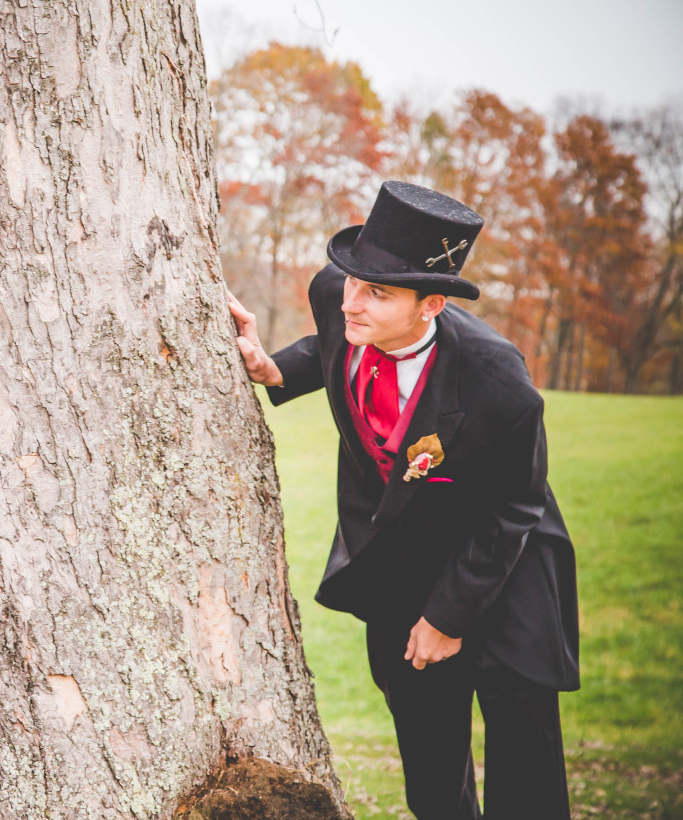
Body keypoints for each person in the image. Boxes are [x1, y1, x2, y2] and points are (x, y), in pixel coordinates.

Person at [229, 181, 579, 819]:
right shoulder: (338, 297)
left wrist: (449, 617)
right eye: (353, 281)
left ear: (432, 304)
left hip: (505, 566)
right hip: (401, 561)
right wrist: (275, 369)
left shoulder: (498, 378)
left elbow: (515, 508)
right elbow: (330, 348)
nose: (351, 303)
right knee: (430, 768)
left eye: (377, 293)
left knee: (525, 764)